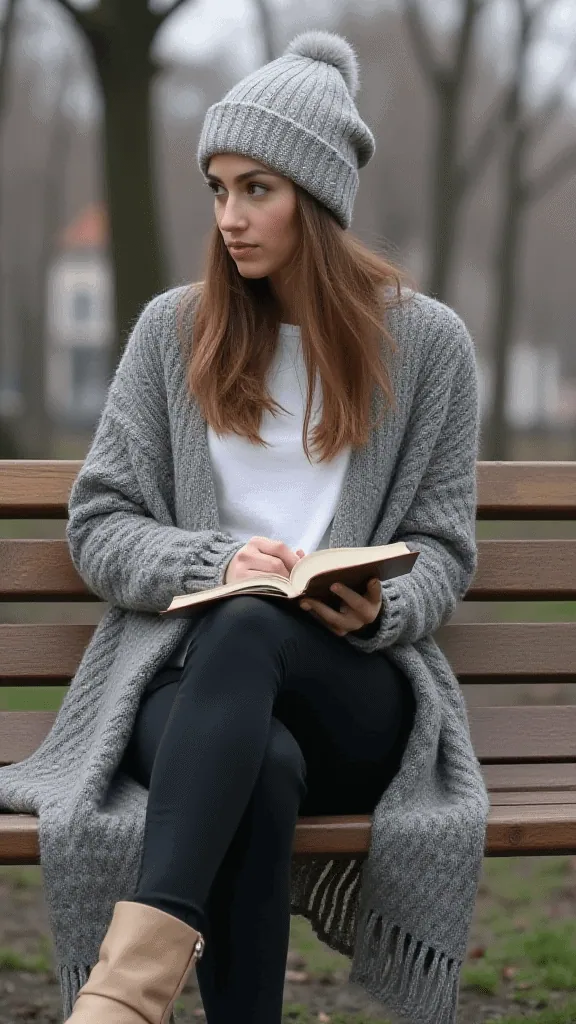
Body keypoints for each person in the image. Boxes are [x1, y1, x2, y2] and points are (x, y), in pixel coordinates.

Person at [0, 29, 490, 1024]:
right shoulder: (174, 332)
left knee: (258, 622)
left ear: (316, 197)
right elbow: (100, 521)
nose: (229, 216)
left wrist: (384, 603)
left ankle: (123, 994)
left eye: (256, 189)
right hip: (184, 687)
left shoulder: (428, 347)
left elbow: (444, 548)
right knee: (258, 756)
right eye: (218, 188)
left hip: (353, 688)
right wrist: (215, 558)